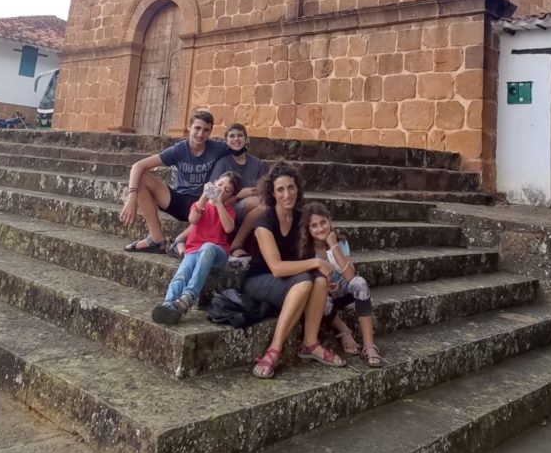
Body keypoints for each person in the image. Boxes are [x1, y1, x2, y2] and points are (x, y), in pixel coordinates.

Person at [244, 162, 346, 378]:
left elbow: (311, 253)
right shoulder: (265, 223)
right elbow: (277, 268)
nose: (287, 194)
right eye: (280, 189)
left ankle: (310, 343)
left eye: (291, 187)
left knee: (317, 279)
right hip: (260, 280)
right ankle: (274, 349)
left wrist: (327, 275)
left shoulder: (301, 218)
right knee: (307, 280)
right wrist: (317, 264)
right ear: (272, 193)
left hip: (292, 279)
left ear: (297, 189)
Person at [120, 109, 228, 252]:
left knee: (216, 199)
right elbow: (137, 166)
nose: (201, 134)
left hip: (202, 204)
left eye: (206, 130)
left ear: (211, 132)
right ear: (189, 127)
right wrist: (132, 197)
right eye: (197, 128)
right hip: (178, 201)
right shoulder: (179, 150)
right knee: (142, 177)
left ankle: (181, 240)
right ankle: (156, 239)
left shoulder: (217, 148)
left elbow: (237, 148)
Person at [151, 171, 244, 325]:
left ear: (231, 197)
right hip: (194, 250)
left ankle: (188, 296)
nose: (221, 190)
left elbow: (228, 228)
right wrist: (204, 196)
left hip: (217, 253)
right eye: (219, 185)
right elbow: (192, 219)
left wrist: (219, 202)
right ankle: (169, 304)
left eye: (226, 190)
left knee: (208, 247)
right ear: (214, 183)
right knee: (182, 272)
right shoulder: (201, 205)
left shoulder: (228, 210)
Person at [299, 202, 384, 368]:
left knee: (360, 283)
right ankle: (343, 330)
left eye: (323, 223)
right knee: (323, 300)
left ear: (330, 222)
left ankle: (369, 345)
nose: (320, 229)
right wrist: (326, 285)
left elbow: (350, 276)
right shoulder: (306, 249)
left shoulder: (340, 242)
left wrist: (334, 246)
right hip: (321, 296)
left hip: (342, 291)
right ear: (308, 229)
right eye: (314, 226)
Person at [168, 122, 266, 260]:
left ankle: (180, 239)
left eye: (240, 136)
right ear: (226, 141)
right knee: (255, 202)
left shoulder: (258, 164)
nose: (236, 139)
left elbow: (263, 190)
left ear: (246, 139)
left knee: (262, 204)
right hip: (226, 206)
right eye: (231, 136)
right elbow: (212, 195)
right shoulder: (223, 162)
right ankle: (236, 245)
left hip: (246, 209)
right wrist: (238, 195)